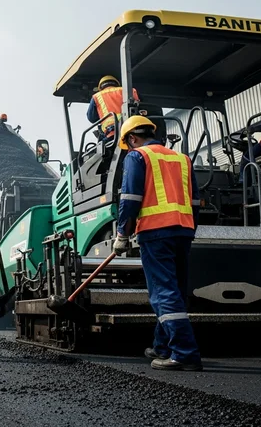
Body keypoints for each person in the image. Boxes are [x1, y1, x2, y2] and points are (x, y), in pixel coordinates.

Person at [113, 116, 202, 371]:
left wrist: (122, 234)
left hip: (155, 232)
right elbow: (195, 201)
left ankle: (184, 353)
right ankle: (162, 346)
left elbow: (129, 198)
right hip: (183, 231)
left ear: (132, 138)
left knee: (163, 293)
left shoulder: (137, 156)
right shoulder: (182, 159)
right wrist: (189, 229)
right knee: (175, 289)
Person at [87, 75, 140, 141]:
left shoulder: (97, 96)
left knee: (99, 147)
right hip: (134, 130)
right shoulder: (130, 91)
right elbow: (139, 107)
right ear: (117, 84)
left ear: (100, 87)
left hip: (113, 133)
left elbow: (92, 118)